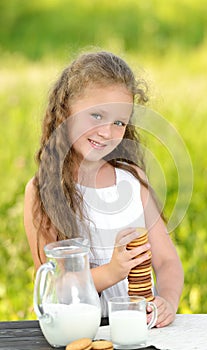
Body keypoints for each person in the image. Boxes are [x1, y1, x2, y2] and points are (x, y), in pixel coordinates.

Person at [24, 50, 184, 328]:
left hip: (139, 331)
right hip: (80, 333)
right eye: (96, 115)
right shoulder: (42, 191)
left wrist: (167, 301)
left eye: (119, 122)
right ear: (65, 111)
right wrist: (112, 271)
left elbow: (168, 261)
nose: (107, 132)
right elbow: (53, 284)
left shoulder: (131, 180)